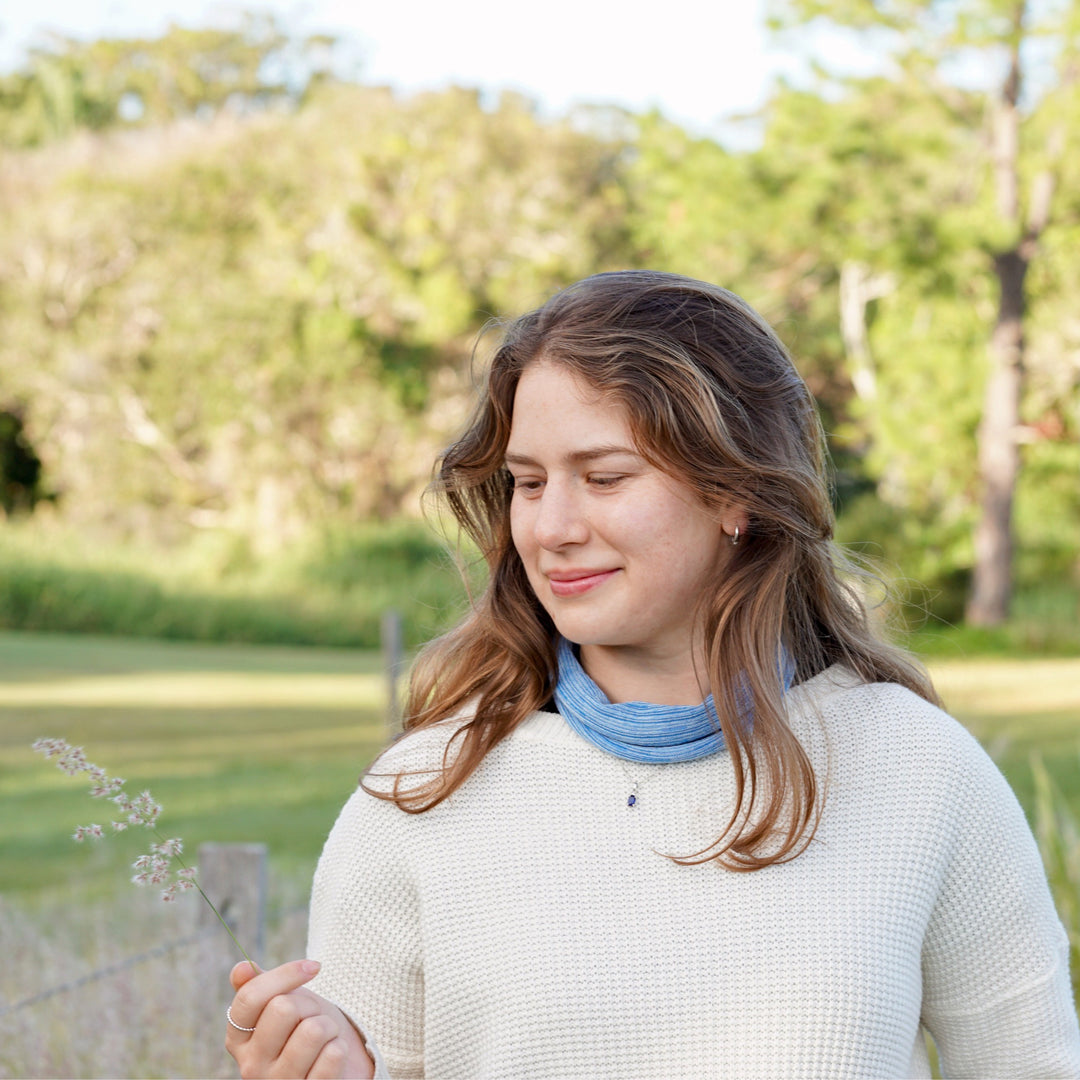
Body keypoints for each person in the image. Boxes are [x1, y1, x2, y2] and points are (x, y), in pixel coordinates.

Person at [225, 271, 1080, 1079]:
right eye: (527, 482)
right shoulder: (422, 794)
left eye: (604, 477)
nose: (552, 526)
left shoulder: (918, 770)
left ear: (734, 493)